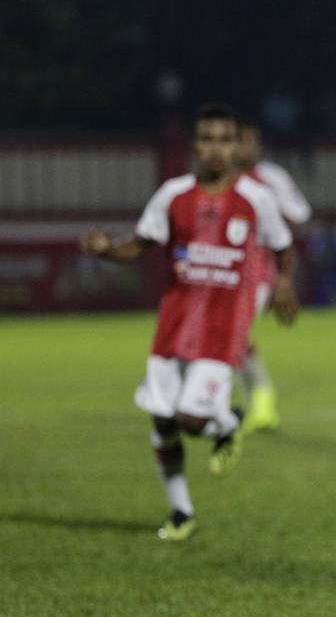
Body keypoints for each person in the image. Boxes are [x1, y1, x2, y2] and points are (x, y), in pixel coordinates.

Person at [80, 103, 299, 541]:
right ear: (195, 145)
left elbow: (282, 245)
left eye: (224, 139)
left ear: (237, 146)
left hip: (223, 328)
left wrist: (284, 284)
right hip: (175, 325)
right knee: (161, 423)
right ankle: (181, 512)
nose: (215, 148)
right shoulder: (173, 195)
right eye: (207, 138)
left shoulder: (257, 200)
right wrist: (107, 249)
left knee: (189, 420)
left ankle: (226, 423)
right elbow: (140, 245)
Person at [234, 120, 313, 431]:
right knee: (227, 335)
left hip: (260, 267)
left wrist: (283, 275)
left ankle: (262, 398)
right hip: (225, 267)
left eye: (250, 142)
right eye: (240, 141)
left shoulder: (271, 178)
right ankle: (253, 401)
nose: (246, 148)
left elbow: (297, 215)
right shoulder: (218, 180)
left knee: (236, 331)